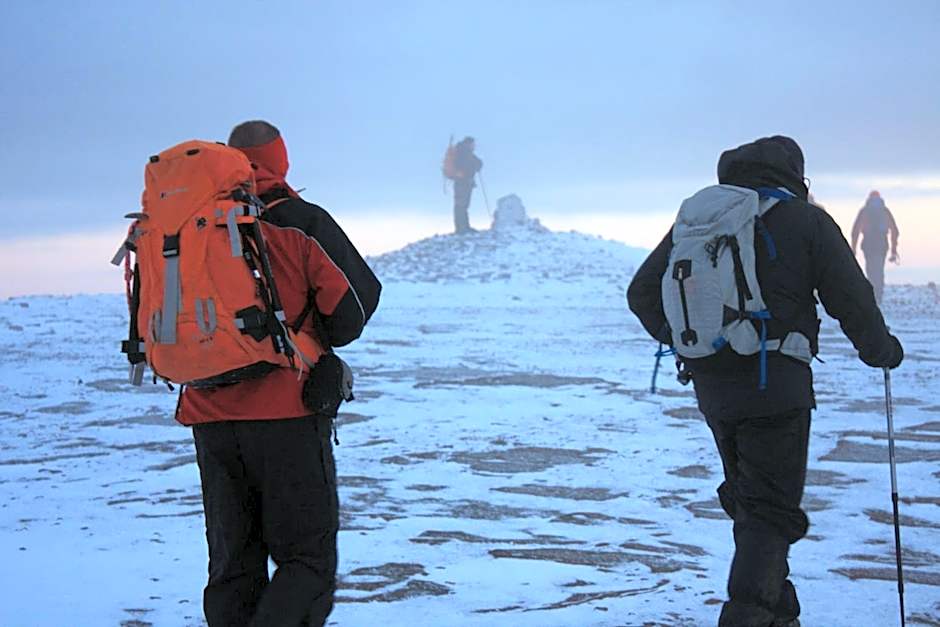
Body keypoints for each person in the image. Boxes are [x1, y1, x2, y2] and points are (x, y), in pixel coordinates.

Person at [627, 136, 903, 627]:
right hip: (777, 385)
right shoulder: (806, 220)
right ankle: (748, 616)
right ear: (794, 174)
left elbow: (642, 293)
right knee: (768, 511)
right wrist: (881, 350)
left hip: (713, 388)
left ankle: (777, 613)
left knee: (755, 505)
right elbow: (851, 297)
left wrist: (693, 345)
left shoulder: (700, 220)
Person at [178, 120, 381, 626]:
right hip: (287, 410)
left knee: (232, 564)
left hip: (208, 413)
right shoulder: (298, 221)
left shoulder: (184, 224)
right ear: (280, 159)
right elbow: (353, 308)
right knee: (306, 560)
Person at [851, 190, 900, 304]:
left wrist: (853, 249)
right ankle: (878, 295)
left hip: (868, 244)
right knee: (879, 269)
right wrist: (893, 249)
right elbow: (895, 230)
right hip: (882, 244)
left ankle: (873, 294)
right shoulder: (884, 211)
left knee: (871, 269)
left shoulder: (864, 211)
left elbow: (855, 231)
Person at [450, 136, 483, 234]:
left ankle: (464, 227)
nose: (474, 146)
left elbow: (478, 163)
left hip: (464, 183)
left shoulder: (464, 152)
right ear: (468, 144)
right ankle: (461, 228)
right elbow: (469, 165)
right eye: (473, 144)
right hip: (462, 183)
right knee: (461, 205)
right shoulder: (463, 153)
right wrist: (475, 166)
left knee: (462, 205)